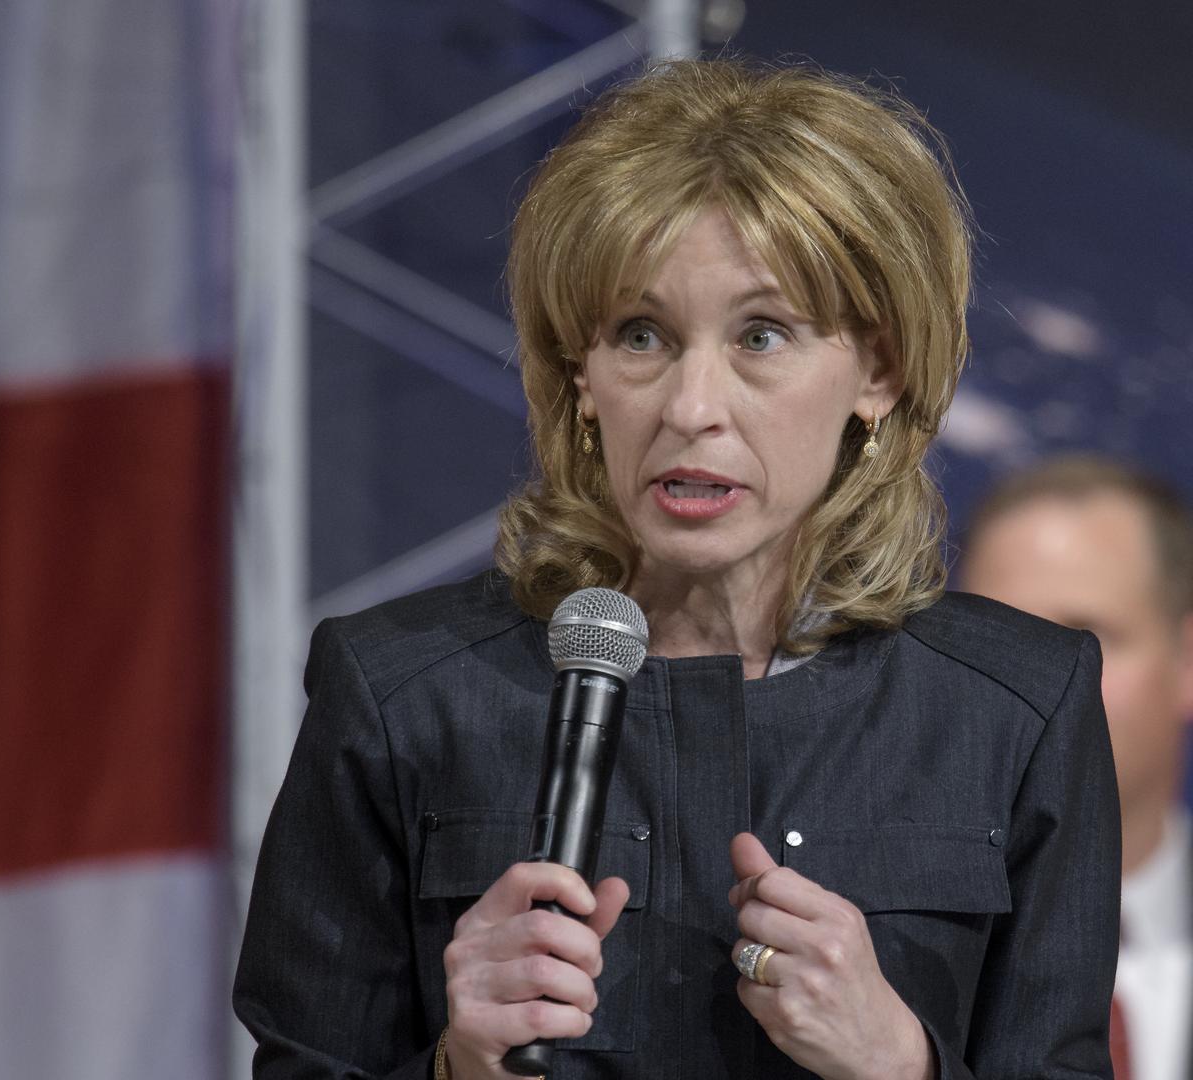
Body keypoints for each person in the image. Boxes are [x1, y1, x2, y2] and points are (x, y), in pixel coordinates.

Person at [234, 59, 1120, 1080]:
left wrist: (900, 1064)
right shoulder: (402, 694)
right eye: (640, 335)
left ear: (875, 372)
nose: (690, 407)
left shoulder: (1014, 708)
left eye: (760, 335)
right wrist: (459, 1065)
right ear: (580, 377)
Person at [960, 456, 1193, 1080]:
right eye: (997, 641)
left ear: (1187, 656)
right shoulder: (877, 951)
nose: (1038, 685)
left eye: (1082, 640)